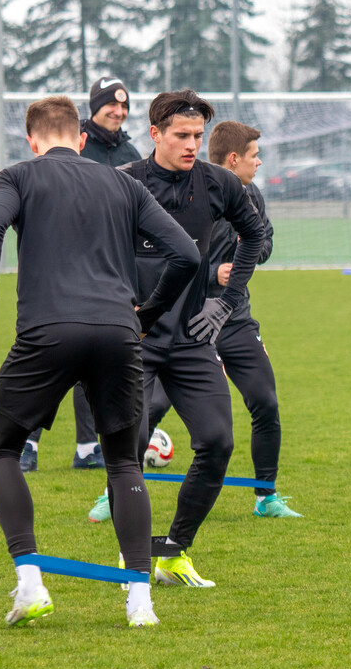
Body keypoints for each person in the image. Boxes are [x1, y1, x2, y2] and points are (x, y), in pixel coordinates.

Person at [0, 96, 199, 627]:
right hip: (117, 332)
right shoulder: (124, 183)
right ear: (81, 139)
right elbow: (188, 255)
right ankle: (139, 602)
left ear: (32, 142)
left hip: (48, 331)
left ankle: (30, 583)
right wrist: (147, 314)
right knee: (124, 463)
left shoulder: (16, 176)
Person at [84, 89, 265, 587]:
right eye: (181, 135)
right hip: (132, 340)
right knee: (129, 447)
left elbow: (256, 237)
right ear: (155, 134)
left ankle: (175, 550)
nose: (190, 144)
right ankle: (133, 553)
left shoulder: (219, 183)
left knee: (218, 441)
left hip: (191, 338)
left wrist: (226, 301)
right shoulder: (123, 184)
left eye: (197, 136)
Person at [112, 121, 300, 519]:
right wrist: (214, 274)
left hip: (233, 318)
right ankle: (116, 488)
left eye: (197, 136)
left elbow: (261, 242)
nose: (259, 162)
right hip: (178, 320)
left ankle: (266, 495)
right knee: (143, 414)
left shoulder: (249, 195)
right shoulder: (172, 190)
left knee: (265, 401)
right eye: (253, 156)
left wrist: (237, 273)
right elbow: (172, 255)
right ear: (234, 158)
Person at [19, 77, 142, 474]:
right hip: (59, 273)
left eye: (123, 107)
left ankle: (89, 447)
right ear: (93, 108)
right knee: (54, 362)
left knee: (92, 365)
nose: (118, 112)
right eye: (110, 106)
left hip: (108, 271)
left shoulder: (130, 152)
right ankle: (26, 442)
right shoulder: (70, 142)